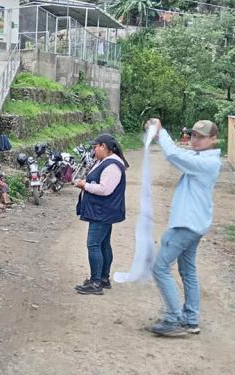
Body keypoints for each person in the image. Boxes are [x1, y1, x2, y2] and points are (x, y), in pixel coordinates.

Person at [145, 119, 221, 337]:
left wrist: (161, 132)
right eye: (194, 135)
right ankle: (190, 319)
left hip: (186, 225)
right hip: (194, 224)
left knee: (159, 268)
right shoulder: (202, 158)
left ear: (213, 139)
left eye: (201, 137)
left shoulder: (206, 162)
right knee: (188, 271)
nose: (195, 140)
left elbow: (174, 155)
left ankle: (174, 318)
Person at [73, 133, 130, 295]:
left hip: (102, 212)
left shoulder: (112, 165)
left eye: (95, 147)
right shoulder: (105, 161)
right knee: (103, 243)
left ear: (103, 146)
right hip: (102, 210)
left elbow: (105, 189)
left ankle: (95, 282)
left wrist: (85, 185)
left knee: (93, 244)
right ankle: (103, 278)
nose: (93, 150)